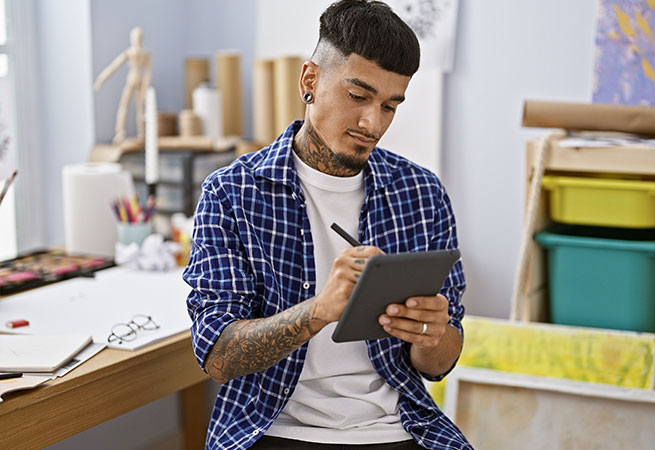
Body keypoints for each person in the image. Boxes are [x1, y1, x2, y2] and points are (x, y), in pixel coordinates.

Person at [184, 1, 472, 449]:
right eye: (358, 96)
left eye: (390, 106)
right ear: (310, 81)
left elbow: (439, 364)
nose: (371, 123)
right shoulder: (232, 193)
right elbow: (218, 357)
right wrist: (320, 310)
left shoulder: (421, 193)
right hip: (273, 428)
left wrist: (431, 335)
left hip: (399, 427)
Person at [93, 27, 151, 144]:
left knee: (139, 108)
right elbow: (114, 66)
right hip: (133, 79)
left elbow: (148, 73)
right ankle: (120, 132)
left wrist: (145, 87)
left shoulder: (144, 54)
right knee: (126, 105)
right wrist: (101, 79)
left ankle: (141, 133)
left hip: (137, 80)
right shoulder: (131, 53)